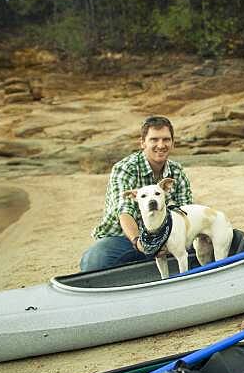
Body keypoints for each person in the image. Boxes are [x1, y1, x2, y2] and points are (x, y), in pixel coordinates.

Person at [79, 115, 194, 272]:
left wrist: (169, 239)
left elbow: (184, 210)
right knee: (95, 261)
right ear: (142, 143)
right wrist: (139, 243)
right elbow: (125, 211)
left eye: (166, 139)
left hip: (167, 235)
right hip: (125, 238)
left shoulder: (176, 171)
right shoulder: (125, 168)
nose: (161, 145)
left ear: (173, 143)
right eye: (154, 139)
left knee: (207, 243)